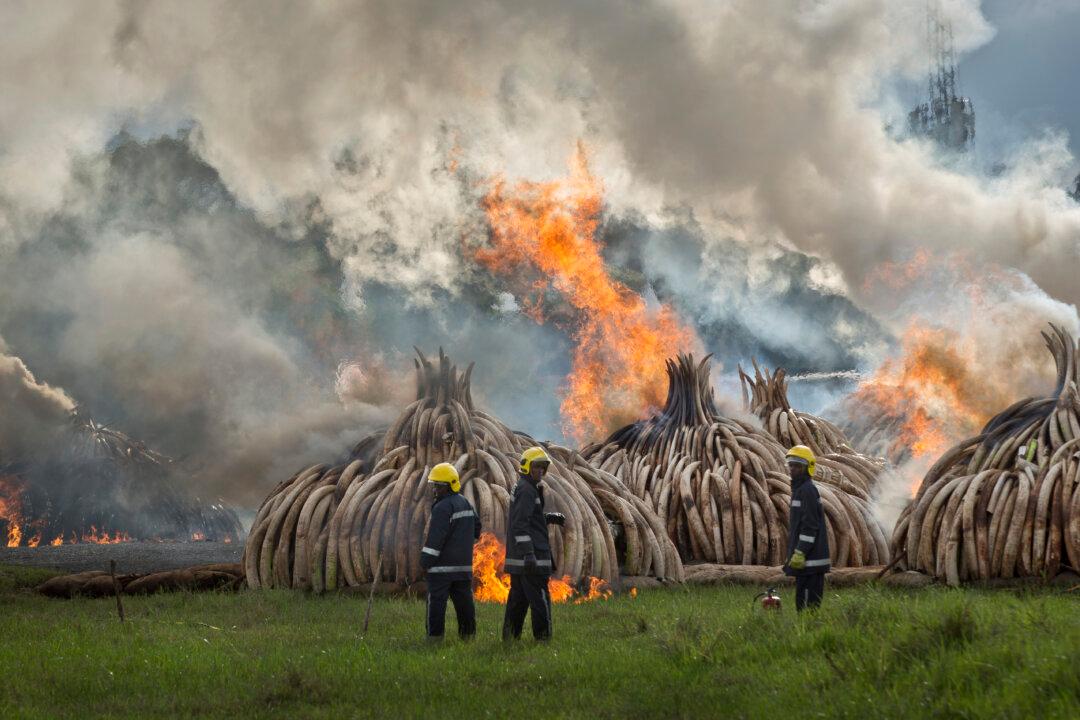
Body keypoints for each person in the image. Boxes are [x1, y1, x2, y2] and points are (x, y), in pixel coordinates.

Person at [502, 446, 565, 641]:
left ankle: (510, 638)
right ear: (527, 467)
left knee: (518, 602)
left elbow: (528, 519)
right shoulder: (527, 490)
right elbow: (520, 525)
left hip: (521, 561)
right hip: (532, 560)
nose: (541, 471)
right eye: (537, 467)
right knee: (540, 600)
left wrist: (547, 518)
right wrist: (529, 553)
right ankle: (543, 639)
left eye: (543, 468)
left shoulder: (525, 487)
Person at [420, 462, 480, 640]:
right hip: (463, 567)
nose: (435, 490)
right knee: (464, 604)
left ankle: (435, 637)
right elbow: (477, 527)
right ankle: (468, 635)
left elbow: (435, 539)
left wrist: (425, 561)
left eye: (438, 486)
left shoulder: (442, 507)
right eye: (434, 485)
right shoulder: (465, 503)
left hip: (441, 569)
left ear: (449, 485)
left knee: (436, 603)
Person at [783, 445, 831, 611]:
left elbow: (810, 526)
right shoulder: (799, 490)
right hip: (806, 562)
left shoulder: (807, 491)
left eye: (797, 466)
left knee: (807, 608)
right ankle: (805, 632)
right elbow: (798, 527)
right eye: (791, 465)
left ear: (807, 468)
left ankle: (810, 633)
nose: (793, 469)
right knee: (802, 604)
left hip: (811, 561)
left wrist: (800, 551)